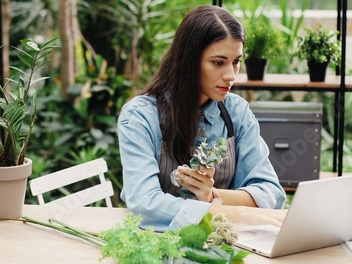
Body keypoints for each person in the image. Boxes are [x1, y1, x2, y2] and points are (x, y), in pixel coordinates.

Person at [117, 4, 287, 232]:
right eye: (218, 62)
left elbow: (270, 192)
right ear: (189, 61)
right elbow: (146, 205)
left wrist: (212, 196)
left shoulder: (237, 112)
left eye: (236, 61)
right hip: (158, 244)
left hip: (223, 242)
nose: (231, 75)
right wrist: (235, 211)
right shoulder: (139, 118)